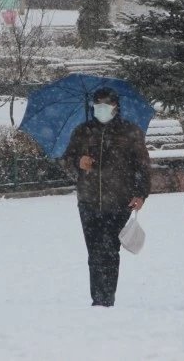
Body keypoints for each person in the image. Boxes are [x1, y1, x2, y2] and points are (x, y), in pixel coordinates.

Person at [62, 87, 151, 307]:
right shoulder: (82, 131)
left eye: (106, 104)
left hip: (119, 201)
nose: (101, 109)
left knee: (110, 251)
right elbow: (66, 160)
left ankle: (107, 296)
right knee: (94, 253)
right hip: (88, 201)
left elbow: (142, 166)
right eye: (97, 104)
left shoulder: (130, 132)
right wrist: (78, 163)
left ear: (116, 107)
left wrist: (141, 193)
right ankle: (97, 299)